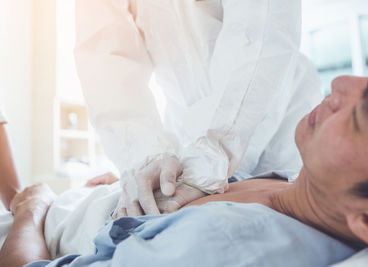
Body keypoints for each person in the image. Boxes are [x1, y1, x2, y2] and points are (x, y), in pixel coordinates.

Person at [1, 56, 368, 267]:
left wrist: (30, 207)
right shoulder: (301, 184)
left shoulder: (223, 251)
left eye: (362, 113)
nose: (341, 83)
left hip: (31, 228)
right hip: (76, 204)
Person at [74, 0, 322, 217]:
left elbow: (259, 28)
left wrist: (207, 161)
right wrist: (143, 156)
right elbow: (104, 56)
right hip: (184, 135)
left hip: (276, 116)